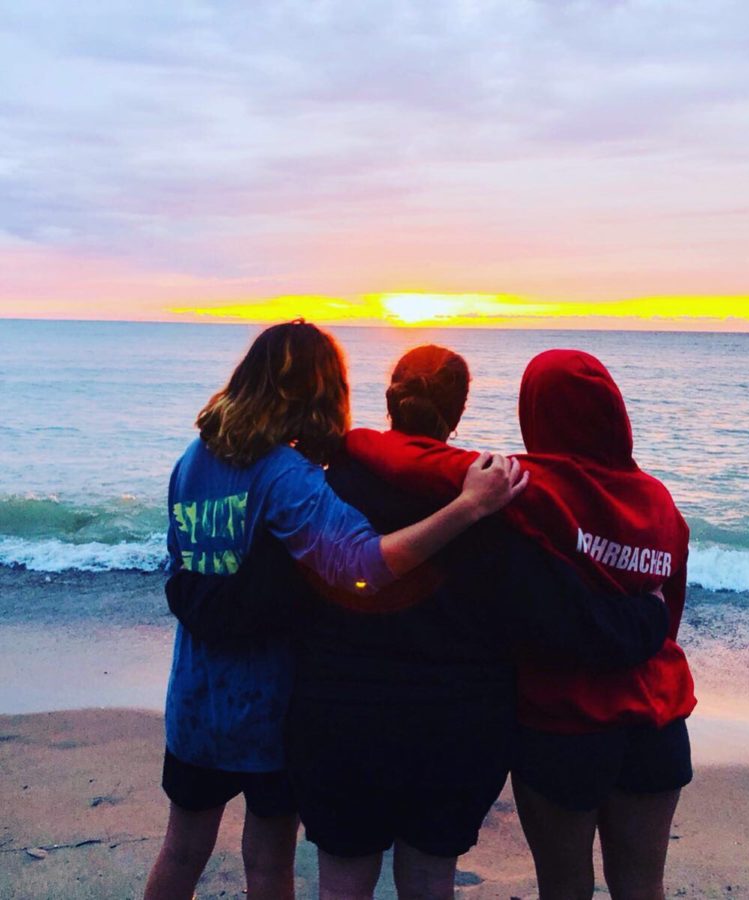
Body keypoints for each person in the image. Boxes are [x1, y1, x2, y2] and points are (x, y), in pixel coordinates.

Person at [167, 344, 672, 900]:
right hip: (456, 729)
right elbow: (548, 616)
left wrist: (188, 593)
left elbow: (267, 589)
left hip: (337, 721)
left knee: (339, 881)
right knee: (430, 881)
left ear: (389, 402)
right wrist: (645, 616)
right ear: (457, 411)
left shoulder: (319, 487)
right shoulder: (497, 499)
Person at [143, 324, 528, 900]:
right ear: (318, 392)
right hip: (268, 710)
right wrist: (468, 506)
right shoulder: (289, 477)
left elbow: (183, 568)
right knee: (267, 863)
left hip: (196, 700)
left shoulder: (190, 462)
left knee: (181, 850)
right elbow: (364, 565)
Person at [345, 348, 696, 900]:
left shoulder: (530, 485)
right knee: (642, 887)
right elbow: (666, 614)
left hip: (564, 724)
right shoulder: (660, 502)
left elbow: (416, 462)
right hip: (658, 722)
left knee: (564, 888)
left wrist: (352, 439)